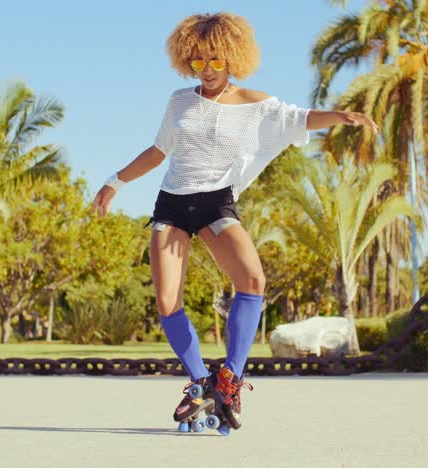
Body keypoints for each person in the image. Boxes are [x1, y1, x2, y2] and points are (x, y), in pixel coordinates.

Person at [90, 12, 378, 433]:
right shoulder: (179, 101)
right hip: (172, 203)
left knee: (253, 280)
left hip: (216, 203)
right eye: (198, 62)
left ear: (232, 59)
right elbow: (158, 151)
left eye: (216, 61)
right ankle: (198, 382)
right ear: (187, 60)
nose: (207, 70)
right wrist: (115, 183)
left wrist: (341, 116)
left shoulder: (255, 105)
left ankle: (229, 380)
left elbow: (299, 119)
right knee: (168, 301)